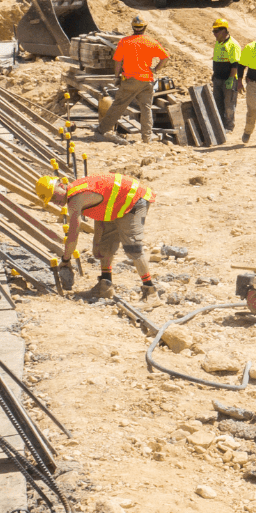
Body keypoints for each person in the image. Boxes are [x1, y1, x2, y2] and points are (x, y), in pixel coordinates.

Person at [36, 173, 157, 301]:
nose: (55, 202)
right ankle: (105, 286)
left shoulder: (75, 198)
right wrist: (98, 242)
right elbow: (100, 218)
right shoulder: (79, 193)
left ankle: (151, 292)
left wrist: (65, 259)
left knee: (133, 247)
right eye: (51, 201)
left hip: (135, 199)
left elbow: (73, 235)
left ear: (61, 186)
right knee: (104, 246)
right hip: (116, 204)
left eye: (54, 196)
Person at [96, 17, 169, 143]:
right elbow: (165, 57)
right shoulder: (151, 42)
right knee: (146, 108)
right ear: (144, 28)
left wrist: (117, 76)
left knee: (118, 105)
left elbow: (118, 61)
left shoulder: (125, 42)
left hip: (130, 79)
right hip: (146, 80)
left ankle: (102, 130)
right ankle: (146, 138)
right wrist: (155, 70)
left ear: (133, 27)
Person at [209, 18, 241, 130]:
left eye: (216, 31)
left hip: (228, 80)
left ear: (224, 31)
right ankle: (220, 126)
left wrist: (231, 79)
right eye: (213, 31)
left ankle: (229, 127)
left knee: (229, 105)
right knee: (218, 103)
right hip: (218, 78)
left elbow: (235, 64)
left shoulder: (233, 44)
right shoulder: (218, 43)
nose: (214, 34)